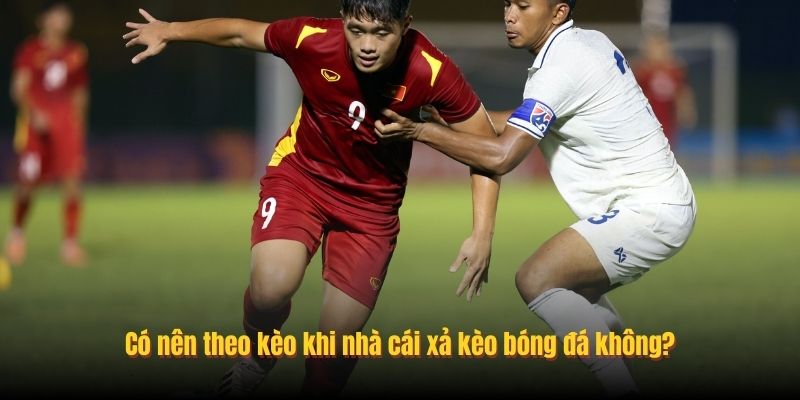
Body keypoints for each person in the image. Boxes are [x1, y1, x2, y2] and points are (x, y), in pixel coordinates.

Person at [124, 0, 500, 395]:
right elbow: (239, 33)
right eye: (357, 30)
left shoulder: (431, 69)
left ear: (405, 25)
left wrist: (482, 233)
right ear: (343, 20)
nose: (367, 45)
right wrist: (170, 30)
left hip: (371, 210)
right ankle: (259, 356)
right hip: (303, 178)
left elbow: (487, 148)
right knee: (270, 287)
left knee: (331, 360)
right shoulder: (313, 39)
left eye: (381, 33)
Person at [375, 0, 696, 396]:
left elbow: (503, 156)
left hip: (649, 211)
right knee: (576, 298)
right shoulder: (587, 43)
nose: (510, 15)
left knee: (537, 279)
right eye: (508, 3)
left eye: (524, 5)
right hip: (659, 202)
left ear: (558, 12)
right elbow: (524, 121)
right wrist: (445, 120)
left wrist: (418, 131)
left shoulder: (560, 66)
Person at [5, 0, 89, 267]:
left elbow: (80, 92)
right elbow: (18, 88)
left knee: (72, 183)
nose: (63, 20)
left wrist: (78, 124)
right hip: (35, 128)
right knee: (26, 185)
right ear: (43, 20)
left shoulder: (75, 52)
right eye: (57, 15)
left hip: (66, 126)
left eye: (65, 15)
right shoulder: (30, 50)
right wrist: (34, 113)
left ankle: (70, 244)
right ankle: (17, 233)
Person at [632, 32, 697, 148]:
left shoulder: (675, 71)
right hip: (647, 123)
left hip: (668, 123)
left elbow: (682, 93)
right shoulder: (643, 71)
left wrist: (687, 111)